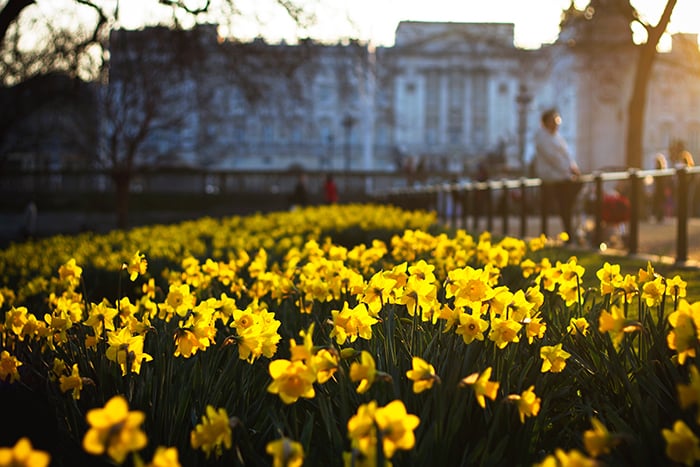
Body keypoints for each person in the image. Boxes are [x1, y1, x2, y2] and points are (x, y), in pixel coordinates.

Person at [533, 108, 581, 240]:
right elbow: (552, 157)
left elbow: (567, 155)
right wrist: (568, 169)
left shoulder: (557, 137)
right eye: (554, 120)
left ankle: (569, 231)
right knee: (562, 205)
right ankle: (558, 234)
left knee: (567, 204)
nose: (556, 123)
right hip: (553, 176)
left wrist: (573, 167)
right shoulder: (542, 137)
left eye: (557, 120)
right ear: (546, 122)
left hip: (563, 175)